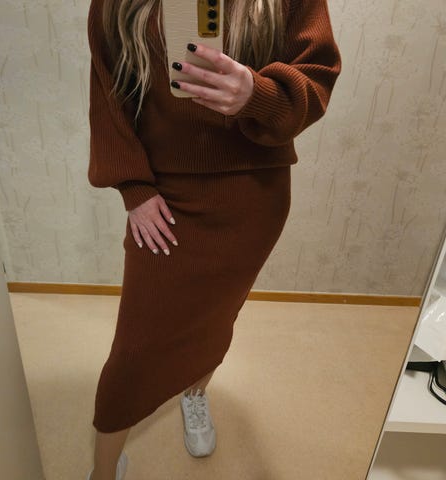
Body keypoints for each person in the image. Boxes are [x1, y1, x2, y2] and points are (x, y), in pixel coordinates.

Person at [86, 0, 341, 478]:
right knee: (134, 351)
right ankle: (103, 470)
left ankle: (195, 394)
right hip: (165, 194)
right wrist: (133, 187)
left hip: (252, 194)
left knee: (217, 319)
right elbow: (108, 89)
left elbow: (318, 76)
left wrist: (258, 94)